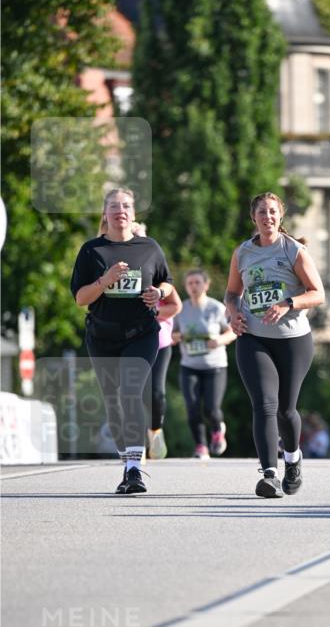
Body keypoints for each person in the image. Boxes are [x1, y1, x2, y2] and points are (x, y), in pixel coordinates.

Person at [71, 188, 173, 494]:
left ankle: (133, 470)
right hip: (102, 336)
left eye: (126, 205)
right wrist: (105, 280)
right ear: (105, 214)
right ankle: (126, 458)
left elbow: (166, 282)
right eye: (113, 206)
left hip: (141, 334)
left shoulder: (149, 247)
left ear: (133, 212)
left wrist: (160, 293)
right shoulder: (92, 251)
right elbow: (80, 298)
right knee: (113, 404)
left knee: (131, 391)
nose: (120, 211)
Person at [224, 192, 325, 498]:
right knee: (264, 405)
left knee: (286, 410)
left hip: (293, 340)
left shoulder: (293, 250)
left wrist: (288, 303)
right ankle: (269, 474)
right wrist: (232, 312)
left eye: (272, 212)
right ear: (253, 217)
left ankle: (293, 460)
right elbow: (231, 293)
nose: (267, 217)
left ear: (281, 217)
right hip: (253, 338)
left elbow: (317, 293)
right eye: (261, 212)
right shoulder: (242, 253)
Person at [129, 222, 182, 460]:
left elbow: (176, 305)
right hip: (129, 339)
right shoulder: (120, 268)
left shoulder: (154, 267)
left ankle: (155, 430)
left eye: (141, 237)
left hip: (159, 341)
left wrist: (152, 312)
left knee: (156, 393)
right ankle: (136, 445)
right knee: (133, 392)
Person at [173, 269, 236, 459]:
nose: (193, 286)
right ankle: (201, 446)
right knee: (192, 407)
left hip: (214, 366)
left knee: (211, 408)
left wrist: (219, 340)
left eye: (197, 282)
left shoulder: (216, 308)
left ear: (206, 285)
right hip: (189, 366)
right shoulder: (181, 309)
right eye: (190, 283)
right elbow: (170, 334)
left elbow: (232, 331)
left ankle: (217, 430)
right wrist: (177, 336)